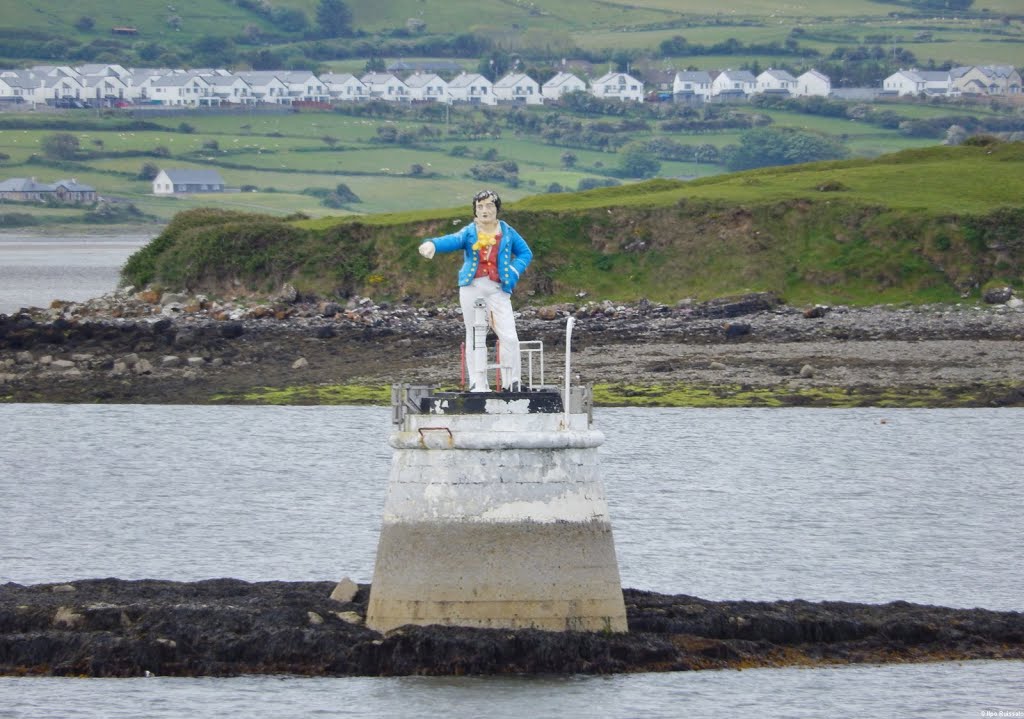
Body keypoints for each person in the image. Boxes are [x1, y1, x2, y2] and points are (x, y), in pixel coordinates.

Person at [418, 189, 533, 392]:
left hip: (498, 289)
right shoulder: (470, 232)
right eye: (480, 206)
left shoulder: (507, 231)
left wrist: (514, 271)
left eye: (489, 206)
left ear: (497, 209)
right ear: (475, 211)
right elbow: (452, 240)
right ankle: (477, 383)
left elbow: (525, 253)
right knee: (474, 335)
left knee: (509, 336)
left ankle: (512, 381)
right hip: (472, 288)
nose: (485, 210)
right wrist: (433, 244)